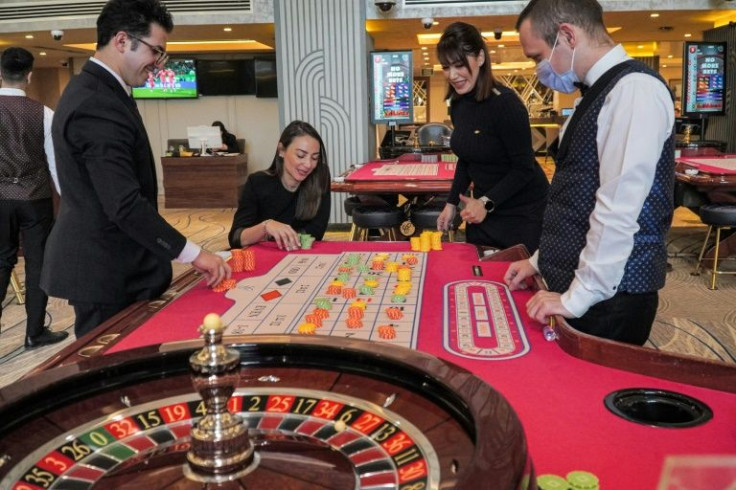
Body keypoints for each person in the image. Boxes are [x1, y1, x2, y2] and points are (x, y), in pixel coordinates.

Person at [41, 0, 230, 339]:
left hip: (117, 268)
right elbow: (123, 204)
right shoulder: (96, 103)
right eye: (156, 51)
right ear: (122, 40)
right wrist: (195, 253)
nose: (158, 64)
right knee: (107, 379)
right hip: (106, 272)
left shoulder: (101, 91)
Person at [504, 0, 675, 345]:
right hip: (585, 287)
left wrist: (578, 298)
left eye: (537, 56)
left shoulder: (634, 91)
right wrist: (540, 261)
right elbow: (576, 198)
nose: (539, 68)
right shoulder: (598, 91)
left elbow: (618, 208)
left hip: (612, 299)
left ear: (566, 35)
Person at [435, 22, 549, 253]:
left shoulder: (506, 104)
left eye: (459, 65)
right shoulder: (458, 103)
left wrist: (486, 202)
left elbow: (523, 168)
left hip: (522, 213)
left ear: (479, 58)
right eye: (446, 67)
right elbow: (467, 158)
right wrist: (451, 203)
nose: (453, 75)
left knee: (520, 285)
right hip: (481, 212)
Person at [0, 47, 68, 348]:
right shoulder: (44, 113)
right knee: (37, 264)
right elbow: (55, 164)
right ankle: (34, 332)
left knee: (1, 261)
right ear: (29, 75)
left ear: (0, 73)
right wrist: (68, 200)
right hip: (35, 197)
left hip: (0, 199)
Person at [229, 120, 331, 251]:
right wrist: (266, 227)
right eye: (300, 155)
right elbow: (236, 238)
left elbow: (316, 232)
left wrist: (279, 238)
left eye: (315, 158)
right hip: (263, 258)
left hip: (298, 256)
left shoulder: (320, 176)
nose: (308, 164)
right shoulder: (257, 183)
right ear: (281, 150)